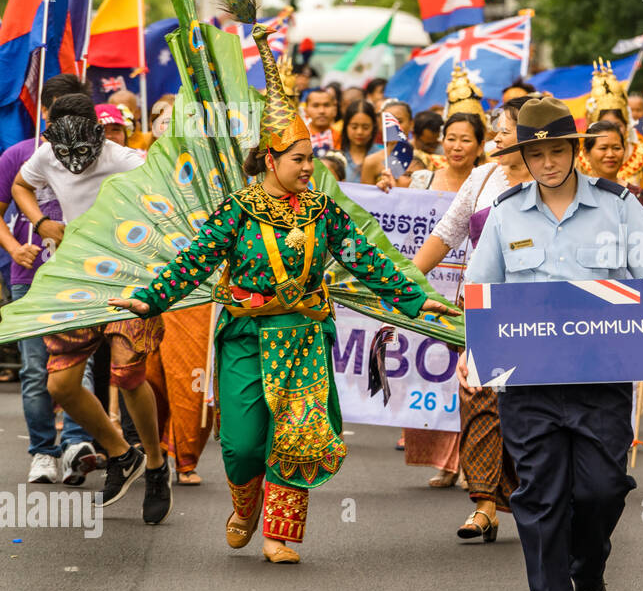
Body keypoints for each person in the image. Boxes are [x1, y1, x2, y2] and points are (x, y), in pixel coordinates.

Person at [109, 42, 454, 563]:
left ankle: (279, 535)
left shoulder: (322, 210)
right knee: (243, 444)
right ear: (270, 160)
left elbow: (367, 260)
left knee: (296, 437)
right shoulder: (237, 211)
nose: (309, 169)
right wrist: (151, 299)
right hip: (246, 334)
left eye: (312, 159)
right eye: (299, 160)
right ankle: (245, 507)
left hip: (305, 335)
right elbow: (193, 261)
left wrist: (418, 299)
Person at [463, 96, 643, 591]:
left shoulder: (619, 207)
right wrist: (469, 353)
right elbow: (481, 296)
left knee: (601, 490)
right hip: (528, 383)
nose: (548, 163)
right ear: (522, 157)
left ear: (574, 150)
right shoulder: (503, 214)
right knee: (540, 497)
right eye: (536, 154)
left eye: (557, 151)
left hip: (603, 379)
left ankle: (589, 573)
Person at [11, 100, 170, 524]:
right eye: (67, 152)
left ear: (98, 135)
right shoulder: (45, 154)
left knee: (127, 372)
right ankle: (122, 454)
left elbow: (169, 200)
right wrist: (42, 223)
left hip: (129, 276)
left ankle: (156, 465)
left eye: (84, 149)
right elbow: (20, 186)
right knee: (60, 386)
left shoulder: (127, 160)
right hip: (77, 281)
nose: (76, 161)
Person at [411, 94, 532, 533]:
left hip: (532, 312)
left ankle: (528, 498)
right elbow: (445, 236)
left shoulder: (554, 182)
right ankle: (483, 504)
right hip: (478, 309)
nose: (496, 136)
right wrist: (400, 285)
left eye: (504, 129)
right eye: (496, 128)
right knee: (478, 398)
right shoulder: (482, 179)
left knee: (520, 408)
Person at [0, 79, 101, 485]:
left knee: (82, 363)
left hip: (80, 276)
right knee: (35, 369)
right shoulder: (18, 156)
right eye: (60, 115)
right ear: (44, 114)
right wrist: (13, 248)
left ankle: (78, 444)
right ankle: (43, 451)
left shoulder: (94, 156)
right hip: (30, 277)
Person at [401, 109, 487, 483]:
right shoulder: (421, 179)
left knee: (472, 378)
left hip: (473, 294)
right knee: (433, 374)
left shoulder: (489, 183)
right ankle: (444, 461)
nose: (456, 146)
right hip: (429, 294)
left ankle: (475, 464)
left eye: (466, 139)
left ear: (481, 145)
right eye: (451, 137)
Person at [583, 121, 643, 213]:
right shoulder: (577, 193)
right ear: (586, 153)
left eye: (616, 148)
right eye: (603, 148)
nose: (610, 154)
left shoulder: (635, 195)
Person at [302, 88, 338, 154]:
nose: (322, 111)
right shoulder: (299, 137)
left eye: (326, 105)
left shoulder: (340, 137)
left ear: (335, 110)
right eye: (315, 106)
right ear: (306, 111)